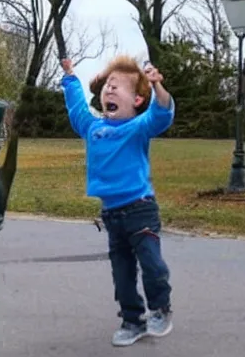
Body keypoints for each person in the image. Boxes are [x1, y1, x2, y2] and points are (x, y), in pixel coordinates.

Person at [60, 55, 175, 347]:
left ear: (137, 100)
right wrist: (70, 76)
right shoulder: (94, 128)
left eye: (117, 87)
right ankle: (132, 320)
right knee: (122, 273)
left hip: (141, 209)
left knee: (152, 264)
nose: (109, 90)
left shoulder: (138, 127)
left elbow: (160, 114)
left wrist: (157, 87)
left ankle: (160, 309)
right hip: (112, 215)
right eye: (107, 86)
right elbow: (76, 109)